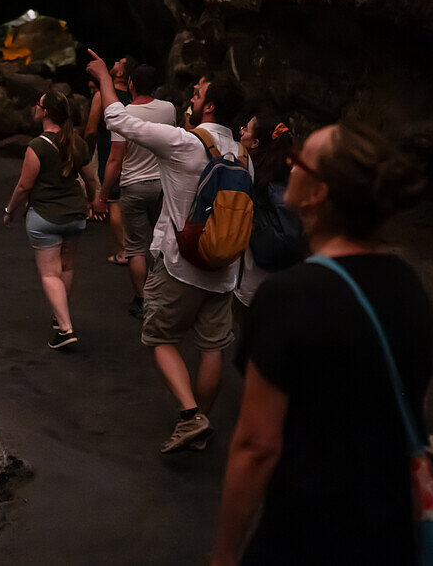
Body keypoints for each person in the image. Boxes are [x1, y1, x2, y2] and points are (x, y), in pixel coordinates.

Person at [211, 122, 433, 565]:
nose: (288, 165)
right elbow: (417, 403)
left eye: (298, 160)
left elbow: (258, 445)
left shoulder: (288, 297)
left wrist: (225, 553)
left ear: (317, 193)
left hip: (307, 531)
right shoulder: (409, 285)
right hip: (388, 528)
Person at [88, 49, 246, 454]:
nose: (193, 89)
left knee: (159, 337)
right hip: (225, 268)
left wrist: (107, 80)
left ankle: (190, 415)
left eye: (200, 90)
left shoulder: (184, 144)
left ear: (209, 106)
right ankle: (198, 428)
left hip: (181, 266)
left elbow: (119, 120)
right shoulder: (244, 158)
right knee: (212, 348)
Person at [3, 91, 98, 350]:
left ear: (45, 112)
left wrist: (10, 209)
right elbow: (90, 180)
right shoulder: (77, 143)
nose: (36, 107)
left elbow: (24, 185)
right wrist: (91, 202)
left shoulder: (37, 146)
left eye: (39, 104)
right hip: (75, 217)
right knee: (65, 269)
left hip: (45, 217)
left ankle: (66, 328)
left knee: (49, 273)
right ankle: (59, 319)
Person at [92, 65, 176, 320]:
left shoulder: (124, 114)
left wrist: (103, 195)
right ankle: (164, 295)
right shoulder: (168, 109)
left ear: (131, 84)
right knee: (162, 243)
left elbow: (116, 159)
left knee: (136, 247)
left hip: (134, 186)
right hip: (162, 185)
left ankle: (142, 299)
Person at [233, 112, 298, 340]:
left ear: (256, 143)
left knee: (249, 333)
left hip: (253, 269)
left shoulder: (248, 169)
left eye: (246, 129)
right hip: (287, 271)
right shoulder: (296, 172)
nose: (241, 131)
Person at [83, 55, 132, 264]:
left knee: (113, 202)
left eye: (117, 62)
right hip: (132, 155)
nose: (114, 64)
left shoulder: (102, 95)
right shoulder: (134, 97)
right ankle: (134, 247)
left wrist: (86, 150)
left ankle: (123, 251)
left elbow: (92, 129)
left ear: (121, 73)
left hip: (108, 151)